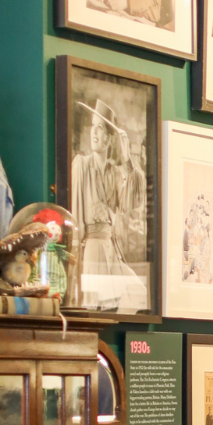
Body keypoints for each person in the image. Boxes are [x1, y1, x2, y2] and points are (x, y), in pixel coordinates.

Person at [70, 99, 148, 312]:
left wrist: (127, 160)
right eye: (92, 127)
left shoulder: (115, 173)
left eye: (101, 129)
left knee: (137, 292)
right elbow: (75, 213)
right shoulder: (81, 166)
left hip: (111, 248)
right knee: (94, 306)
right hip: (92, 248)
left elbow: (131, 201)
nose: (94, 133)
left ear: (110, 138)